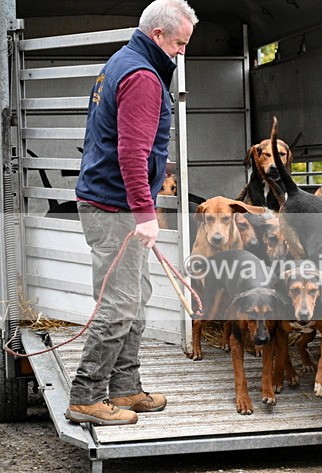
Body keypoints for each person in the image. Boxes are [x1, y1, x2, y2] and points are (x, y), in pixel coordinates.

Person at [65, 0, 198, 426]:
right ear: (158, 35)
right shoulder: (141, 76)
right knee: (119, 305)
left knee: (136, 297)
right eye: (178, 43)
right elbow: (132, 151)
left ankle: (124, 389)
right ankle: (86, 396)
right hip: (115, 207)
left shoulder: (123, 61)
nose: (180, 52)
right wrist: (145, 211)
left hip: (113, 201)